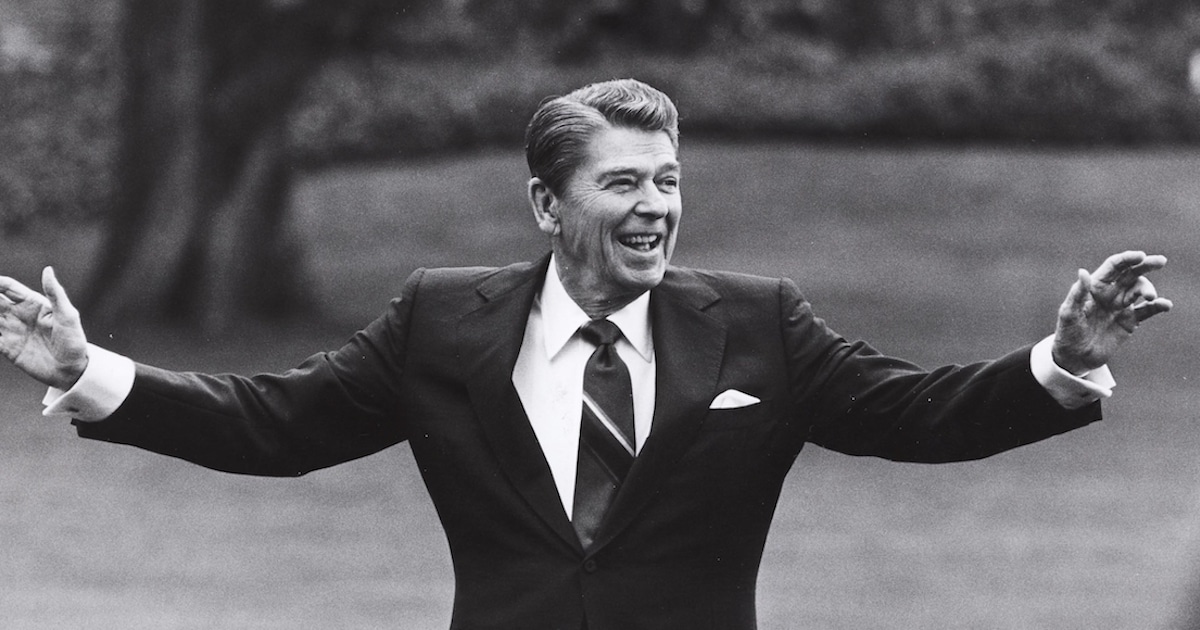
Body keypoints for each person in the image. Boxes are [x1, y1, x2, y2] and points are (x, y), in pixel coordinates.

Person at [0, 79, 1173, 629]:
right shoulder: (441, 321)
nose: (656, 205)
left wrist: (1060, 360)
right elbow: (277, 424)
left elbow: (917, 415)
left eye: (669, 181)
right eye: (623, 183)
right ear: (546, 204)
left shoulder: (760, 323)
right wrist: (91, 370)